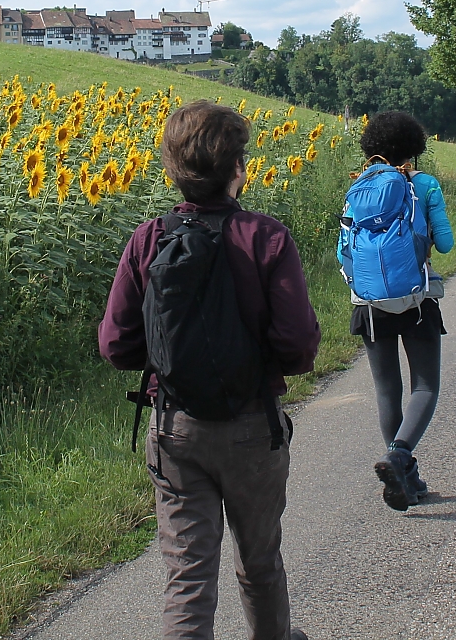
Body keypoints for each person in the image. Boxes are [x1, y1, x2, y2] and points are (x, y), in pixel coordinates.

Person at [100, 100, 320, 640]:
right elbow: (297, 345)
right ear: (238, 168)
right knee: (260, 563)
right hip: (252, 427)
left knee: (188, 576)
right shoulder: (265, 237)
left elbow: (114, 345)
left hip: (176, 427)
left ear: (172, 168)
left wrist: (165, 360)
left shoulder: (149, 238)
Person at [337, 111, 454, 510]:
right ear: (414, 148)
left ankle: (408, 475)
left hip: (369, 305)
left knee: (388, 390)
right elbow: (447, 243)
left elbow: (344, 250)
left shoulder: (358, 188)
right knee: (425, 387)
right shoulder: (422, 184)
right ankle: (400, 454)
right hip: (416, 300)